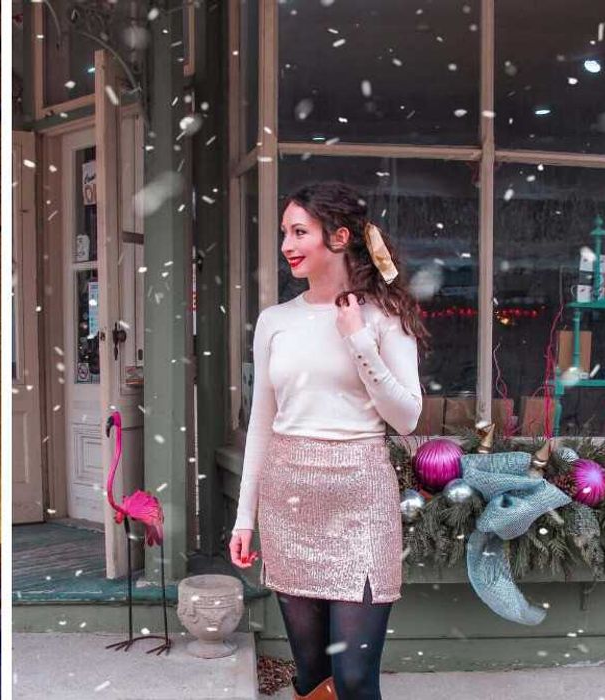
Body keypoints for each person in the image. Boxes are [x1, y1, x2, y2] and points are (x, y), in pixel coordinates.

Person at [228, 182, 429, 700]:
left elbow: (406, 417)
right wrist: (245, 518)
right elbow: (261, 425)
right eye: (284, 234)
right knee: (312, 674)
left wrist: (359, 340)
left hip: (361, 501)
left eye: (300, 232)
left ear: (339, 238)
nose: (287, 245)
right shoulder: (275, 322)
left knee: (356, 678)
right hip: (289, 502)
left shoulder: (386, 316)